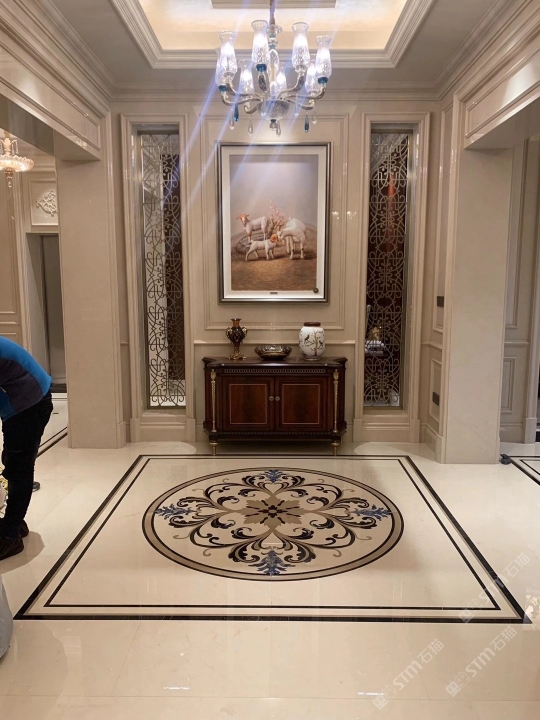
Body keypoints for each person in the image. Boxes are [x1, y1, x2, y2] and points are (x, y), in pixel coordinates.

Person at [0, 337, 52, 561]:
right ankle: (14, 523)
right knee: (13, 464)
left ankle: (10, 536)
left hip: (29, 405)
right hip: (22, 403)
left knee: (19, 469)